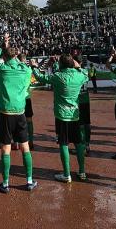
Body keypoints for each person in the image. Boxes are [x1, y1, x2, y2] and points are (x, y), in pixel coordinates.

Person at [0, 33, 37, 193]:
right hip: (20, 112)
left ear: (4, 57)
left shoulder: (2, 68)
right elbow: (25, 65)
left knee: (6, 148)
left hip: (5, 114)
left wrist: (3, 44)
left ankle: (5, 183)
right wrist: (15, 55)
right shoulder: (25, 70)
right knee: (25, 147)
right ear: (16, 56)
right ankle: (30, 181)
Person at [32, 54, 88, 182]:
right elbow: (84, 73)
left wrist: (34, 67)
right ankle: (82, 171)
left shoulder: (58, 76)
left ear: (61, 65)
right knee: (79, 143)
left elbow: (41, 77)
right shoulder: (80, 76)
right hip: (75, 115)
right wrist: (77, 66)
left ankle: (66, 174)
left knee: (63, 143)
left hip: (62, 116)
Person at [74, 55, 91, 155]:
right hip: (86, 100)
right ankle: (87, 144)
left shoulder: (75, 72)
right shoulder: (85, 71)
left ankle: (82, 145)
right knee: (87, 123)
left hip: (78, 101)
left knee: (80, 124)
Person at [18, 53, 35, 150]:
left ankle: (17, 142)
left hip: (18, 99)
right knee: (29, 120)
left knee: (17, 120)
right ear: (25, 61)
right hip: (27, 98)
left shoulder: (16, 70)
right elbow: (32, 80)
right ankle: (31, 141)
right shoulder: (29, 70)